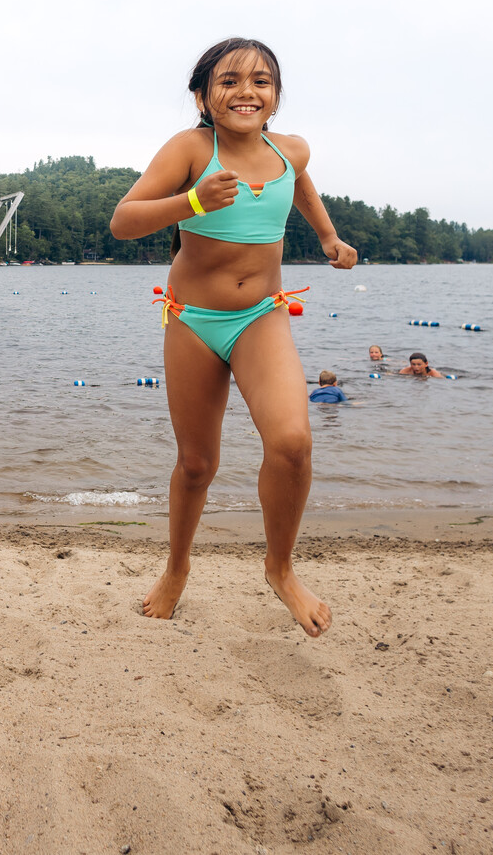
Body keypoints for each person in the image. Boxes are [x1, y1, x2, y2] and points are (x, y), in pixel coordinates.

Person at [110, 36, 357, 636]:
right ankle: (176, 568)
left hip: (262, 316)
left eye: (261, 81)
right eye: (229, 80)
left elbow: (299, 184)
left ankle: (280, 569)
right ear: (203, 95)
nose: (246, 90)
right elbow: (122, 221)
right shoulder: (191, 148)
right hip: (193, 319)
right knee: (197, 464)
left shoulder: (289, 149)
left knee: (293, 442)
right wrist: (191, 200)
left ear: (275, 96)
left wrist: (327, 237)